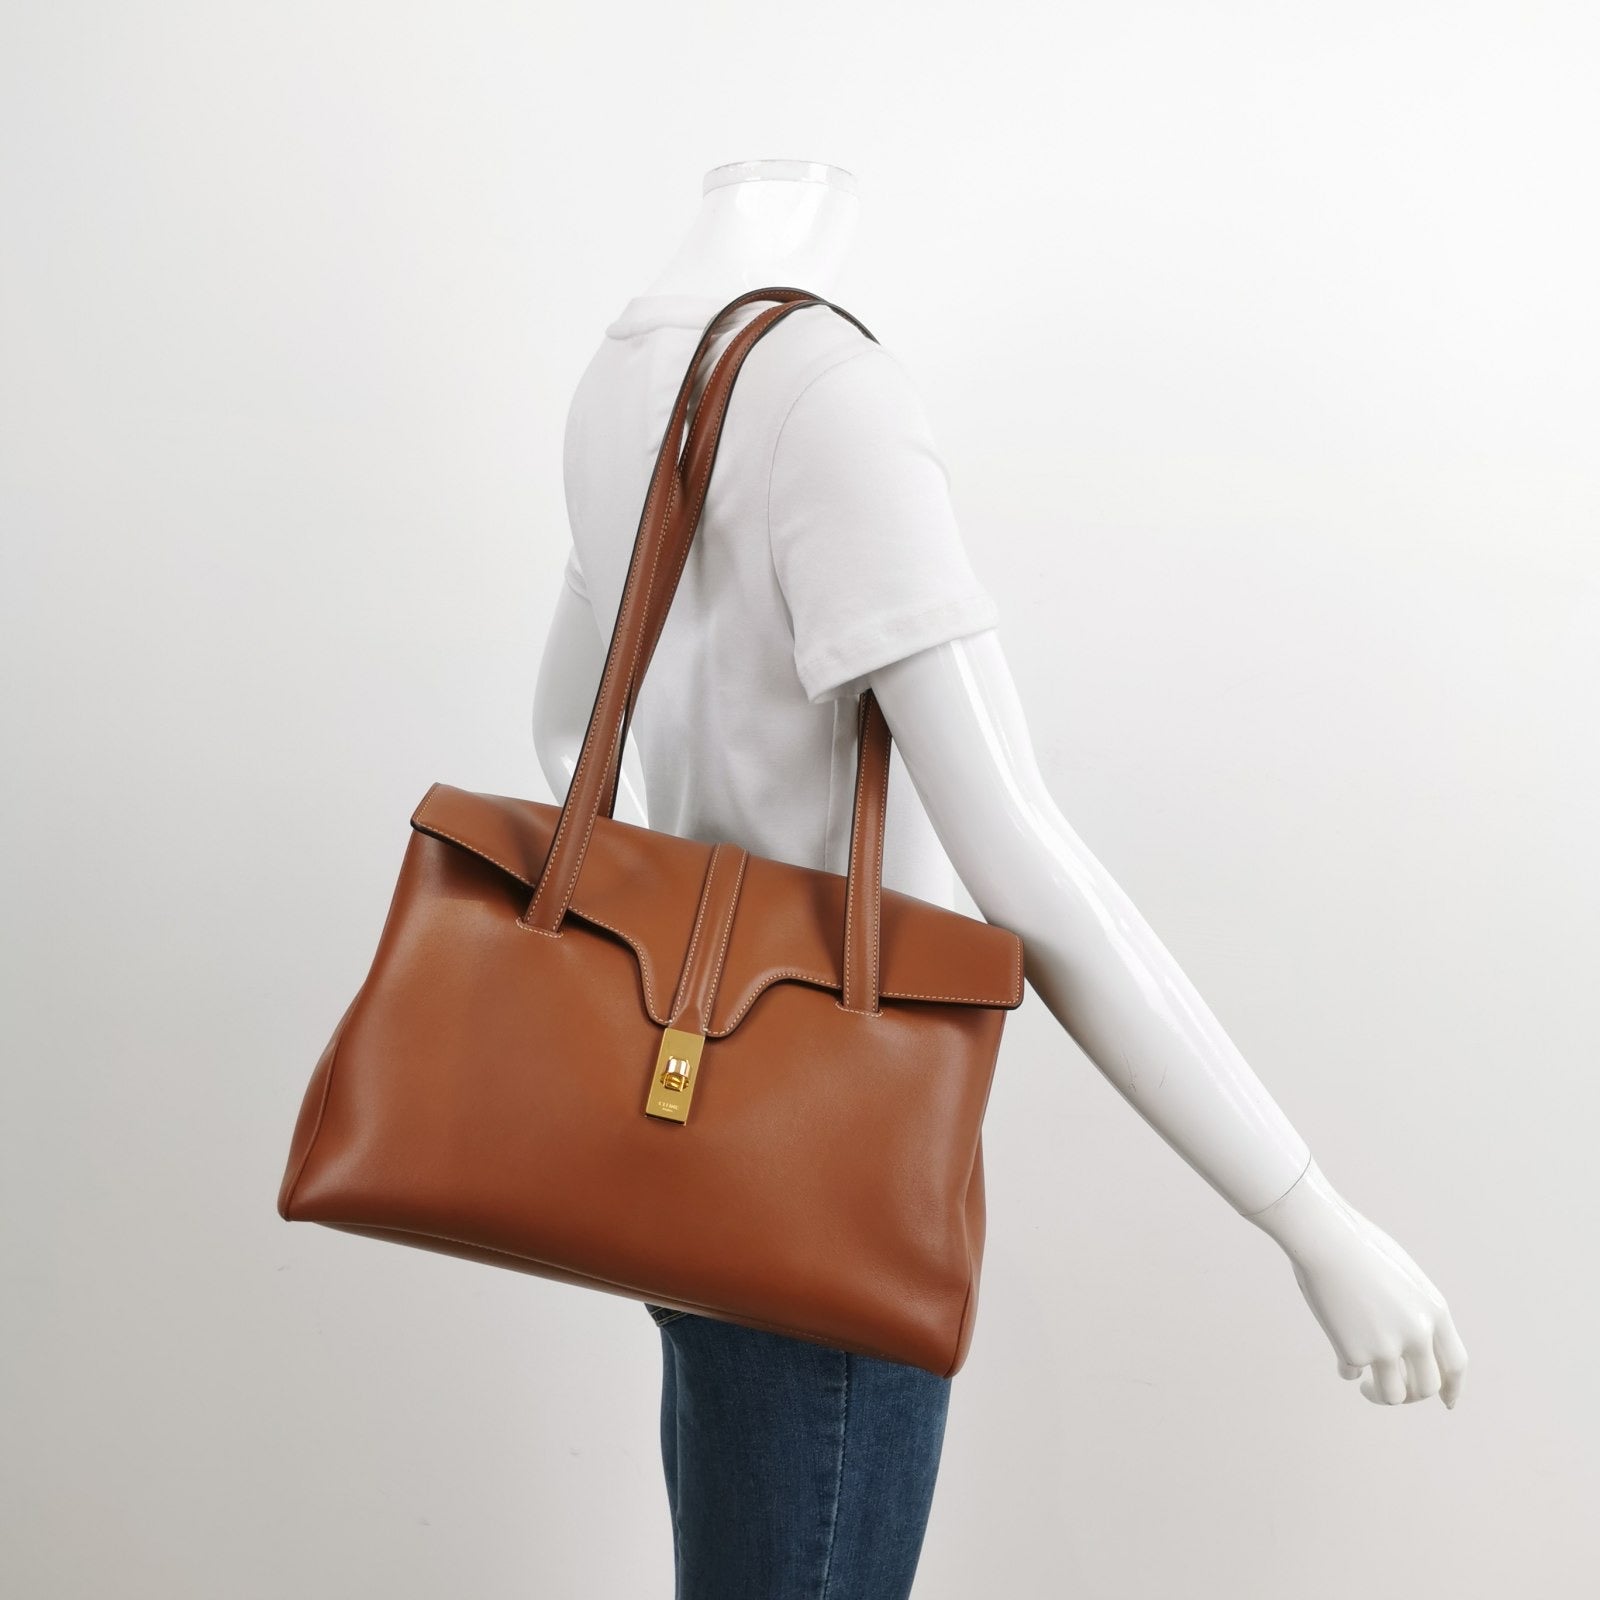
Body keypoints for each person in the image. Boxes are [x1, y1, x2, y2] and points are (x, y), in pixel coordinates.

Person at [532, 159, 1467, 1600]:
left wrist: (679, 953)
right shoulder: (828, 394)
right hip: (833, 1164)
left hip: (685, 1146)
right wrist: (1308, 1214)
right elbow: (1020, 852)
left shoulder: (624, 374)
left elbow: (562, 736)